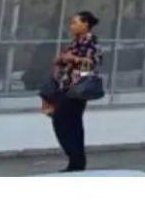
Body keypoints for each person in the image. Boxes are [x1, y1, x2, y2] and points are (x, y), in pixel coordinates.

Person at [47, 11, 102, 172]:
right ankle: (76, 161)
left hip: (77, 88)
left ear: (85, 24)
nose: (72, 26)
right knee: (72, 123)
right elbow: (65, 61)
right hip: (66, 86)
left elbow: (91, 64)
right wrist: (61, 60)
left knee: (62, 119)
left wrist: (73, 60)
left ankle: (76, 158)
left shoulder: (91, 43)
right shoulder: (75, 42)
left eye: (75, 22)